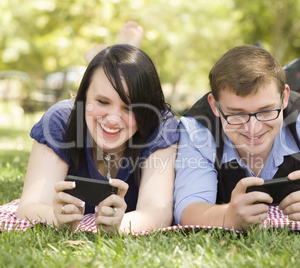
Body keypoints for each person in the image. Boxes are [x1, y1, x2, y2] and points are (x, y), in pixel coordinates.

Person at [174, 45, 300, 230]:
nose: (253, 129)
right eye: (236, 114)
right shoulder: (197, 128)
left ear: (285, 97)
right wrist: (227, 216)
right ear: (215, 106)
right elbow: (187, 211)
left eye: (266, 111)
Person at [17, 22, 179, 234]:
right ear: (82, 97)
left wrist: (120, 227)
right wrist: (56, 218)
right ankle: (123, 52)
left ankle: (125, 52)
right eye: (102, 102)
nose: (113, 119)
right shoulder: (60, 120)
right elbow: (29, 206)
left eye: (129, 107)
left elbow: (158, 212)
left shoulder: (160, 125)